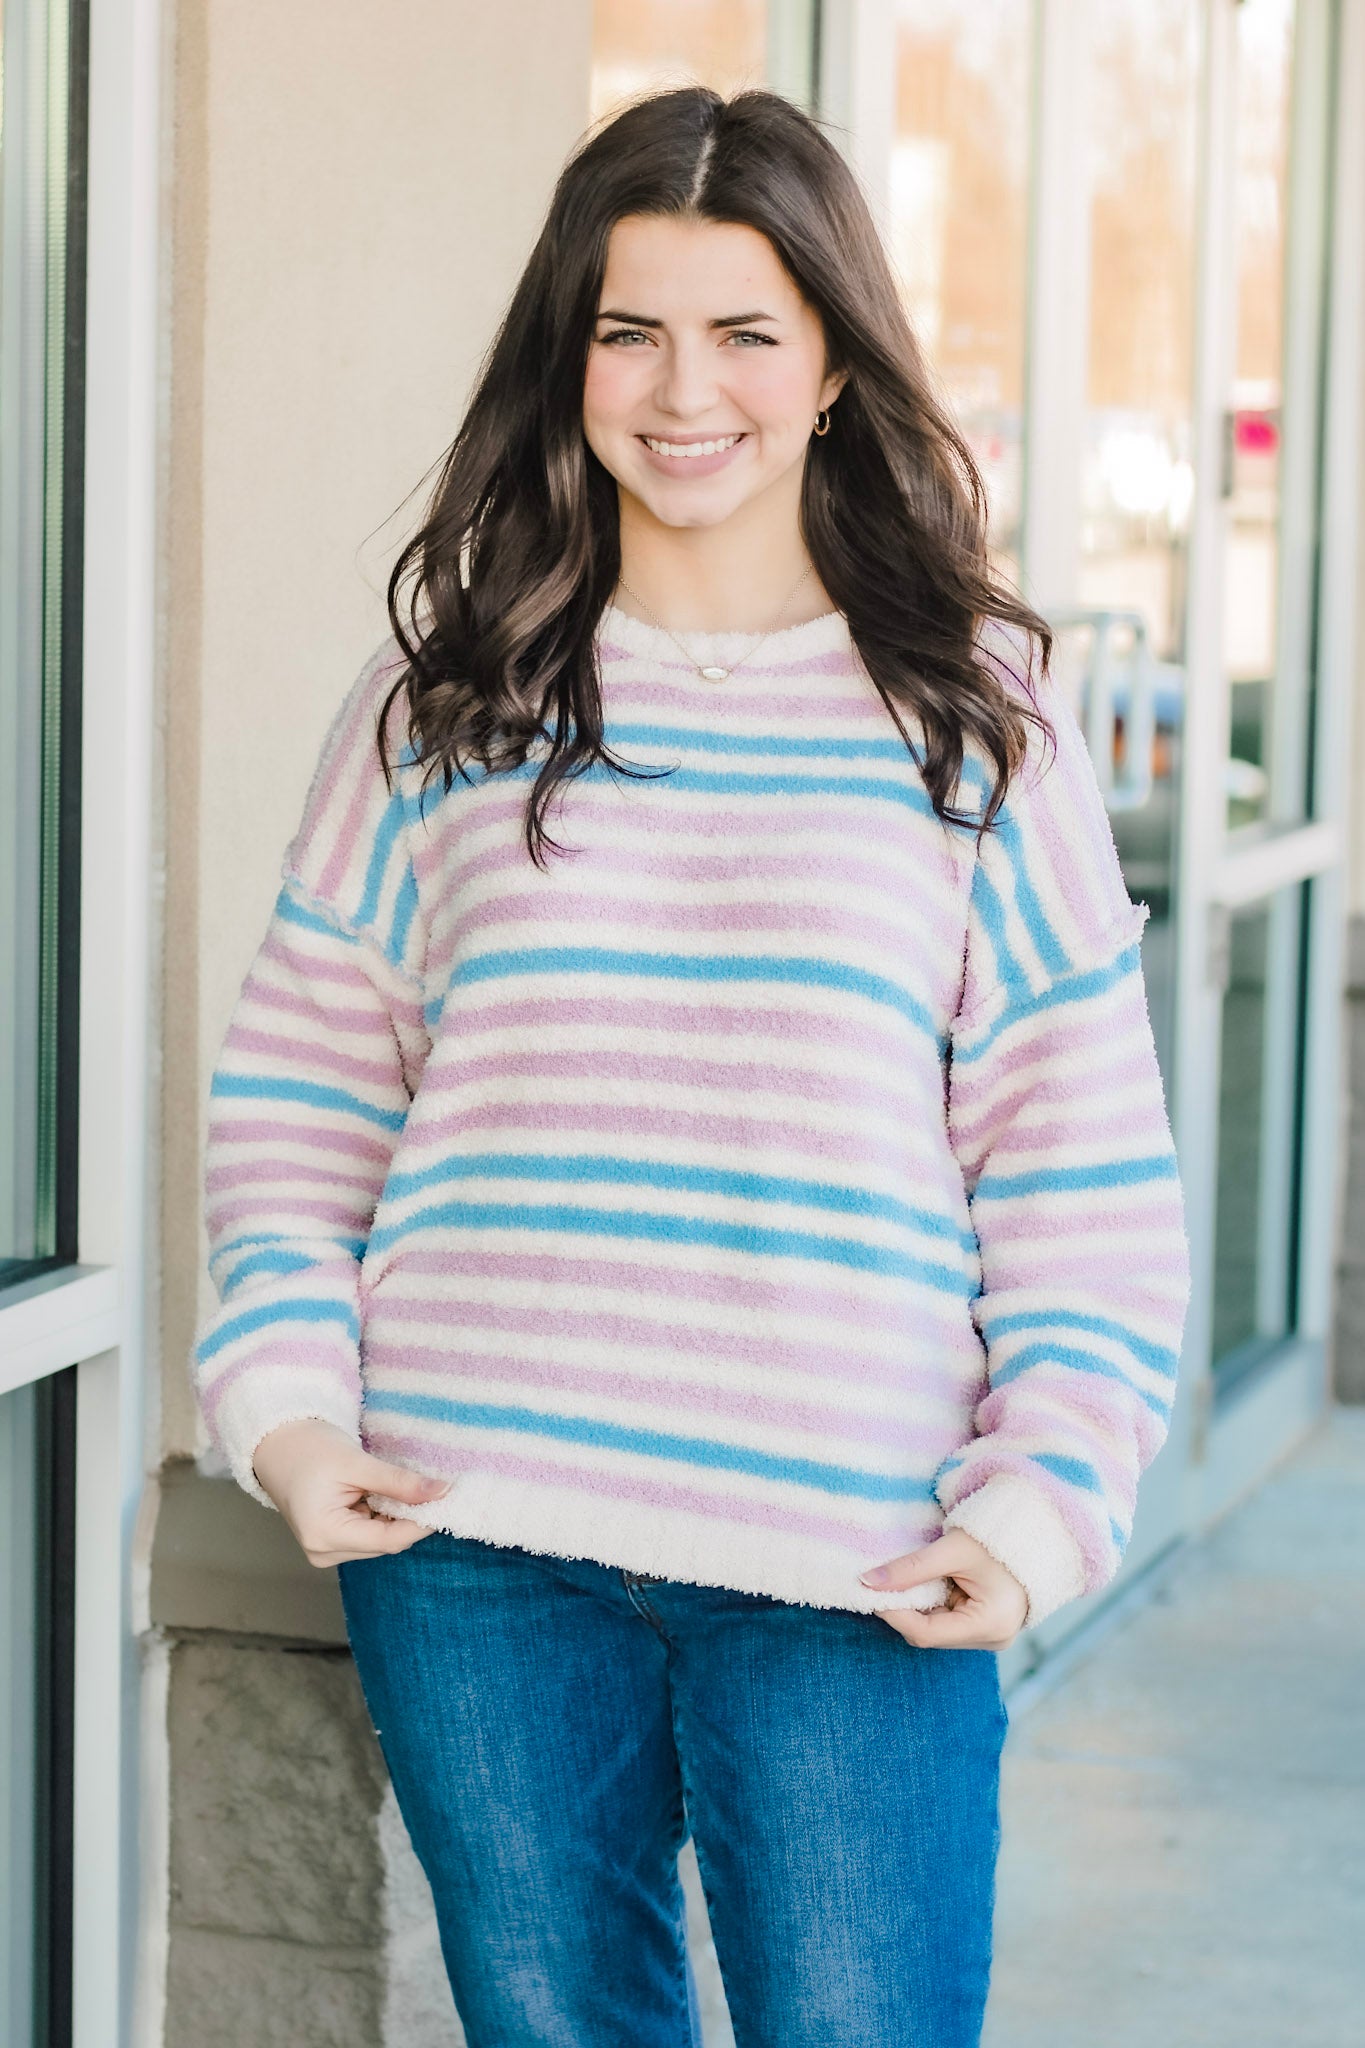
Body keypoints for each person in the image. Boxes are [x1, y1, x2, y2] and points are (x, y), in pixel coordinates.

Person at [192, 86, 1190, 2048]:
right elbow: (303, 1103)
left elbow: (1073, 1164)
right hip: (476, 1540)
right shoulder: (442, 708)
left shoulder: (970, 724)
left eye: (743, 331)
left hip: (859, 1558)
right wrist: (292, 1409)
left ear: (833, 368)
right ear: (565, 361)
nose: (681, 391)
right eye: (627, 331)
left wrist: (1041, 1496)